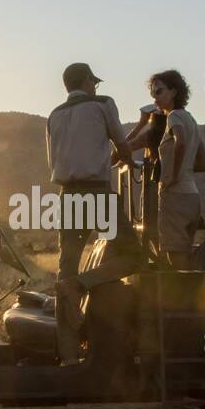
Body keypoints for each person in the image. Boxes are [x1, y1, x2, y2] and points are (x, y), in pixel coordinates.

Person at [46, 62, 139, 365]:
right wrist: (126, 161)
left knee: (65, 266)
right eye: (93, 82)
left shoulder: (54, 115)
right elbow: (122, 146)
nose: (95, 86)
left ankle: (69, 356)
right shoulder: (103, 104)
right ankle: (82, 284)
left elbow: (55, 160)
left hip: (67, 195)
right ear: (86, 81)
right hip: (97, 191)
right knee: (134, 257)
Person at [126, 70, 205, 269]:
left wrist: (171, 175)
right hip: (191, 194)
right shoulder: (191, 120)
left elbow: (180, 143)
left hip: (175, 194)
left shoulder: (173, 117)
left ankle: (179, 298)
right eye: (153, 93)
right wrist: (183, 168)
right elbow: (202, 162)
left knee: (174, 256)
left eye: (159, 91)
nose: (155, 98)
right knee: (185, 254)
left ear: (174, 91)